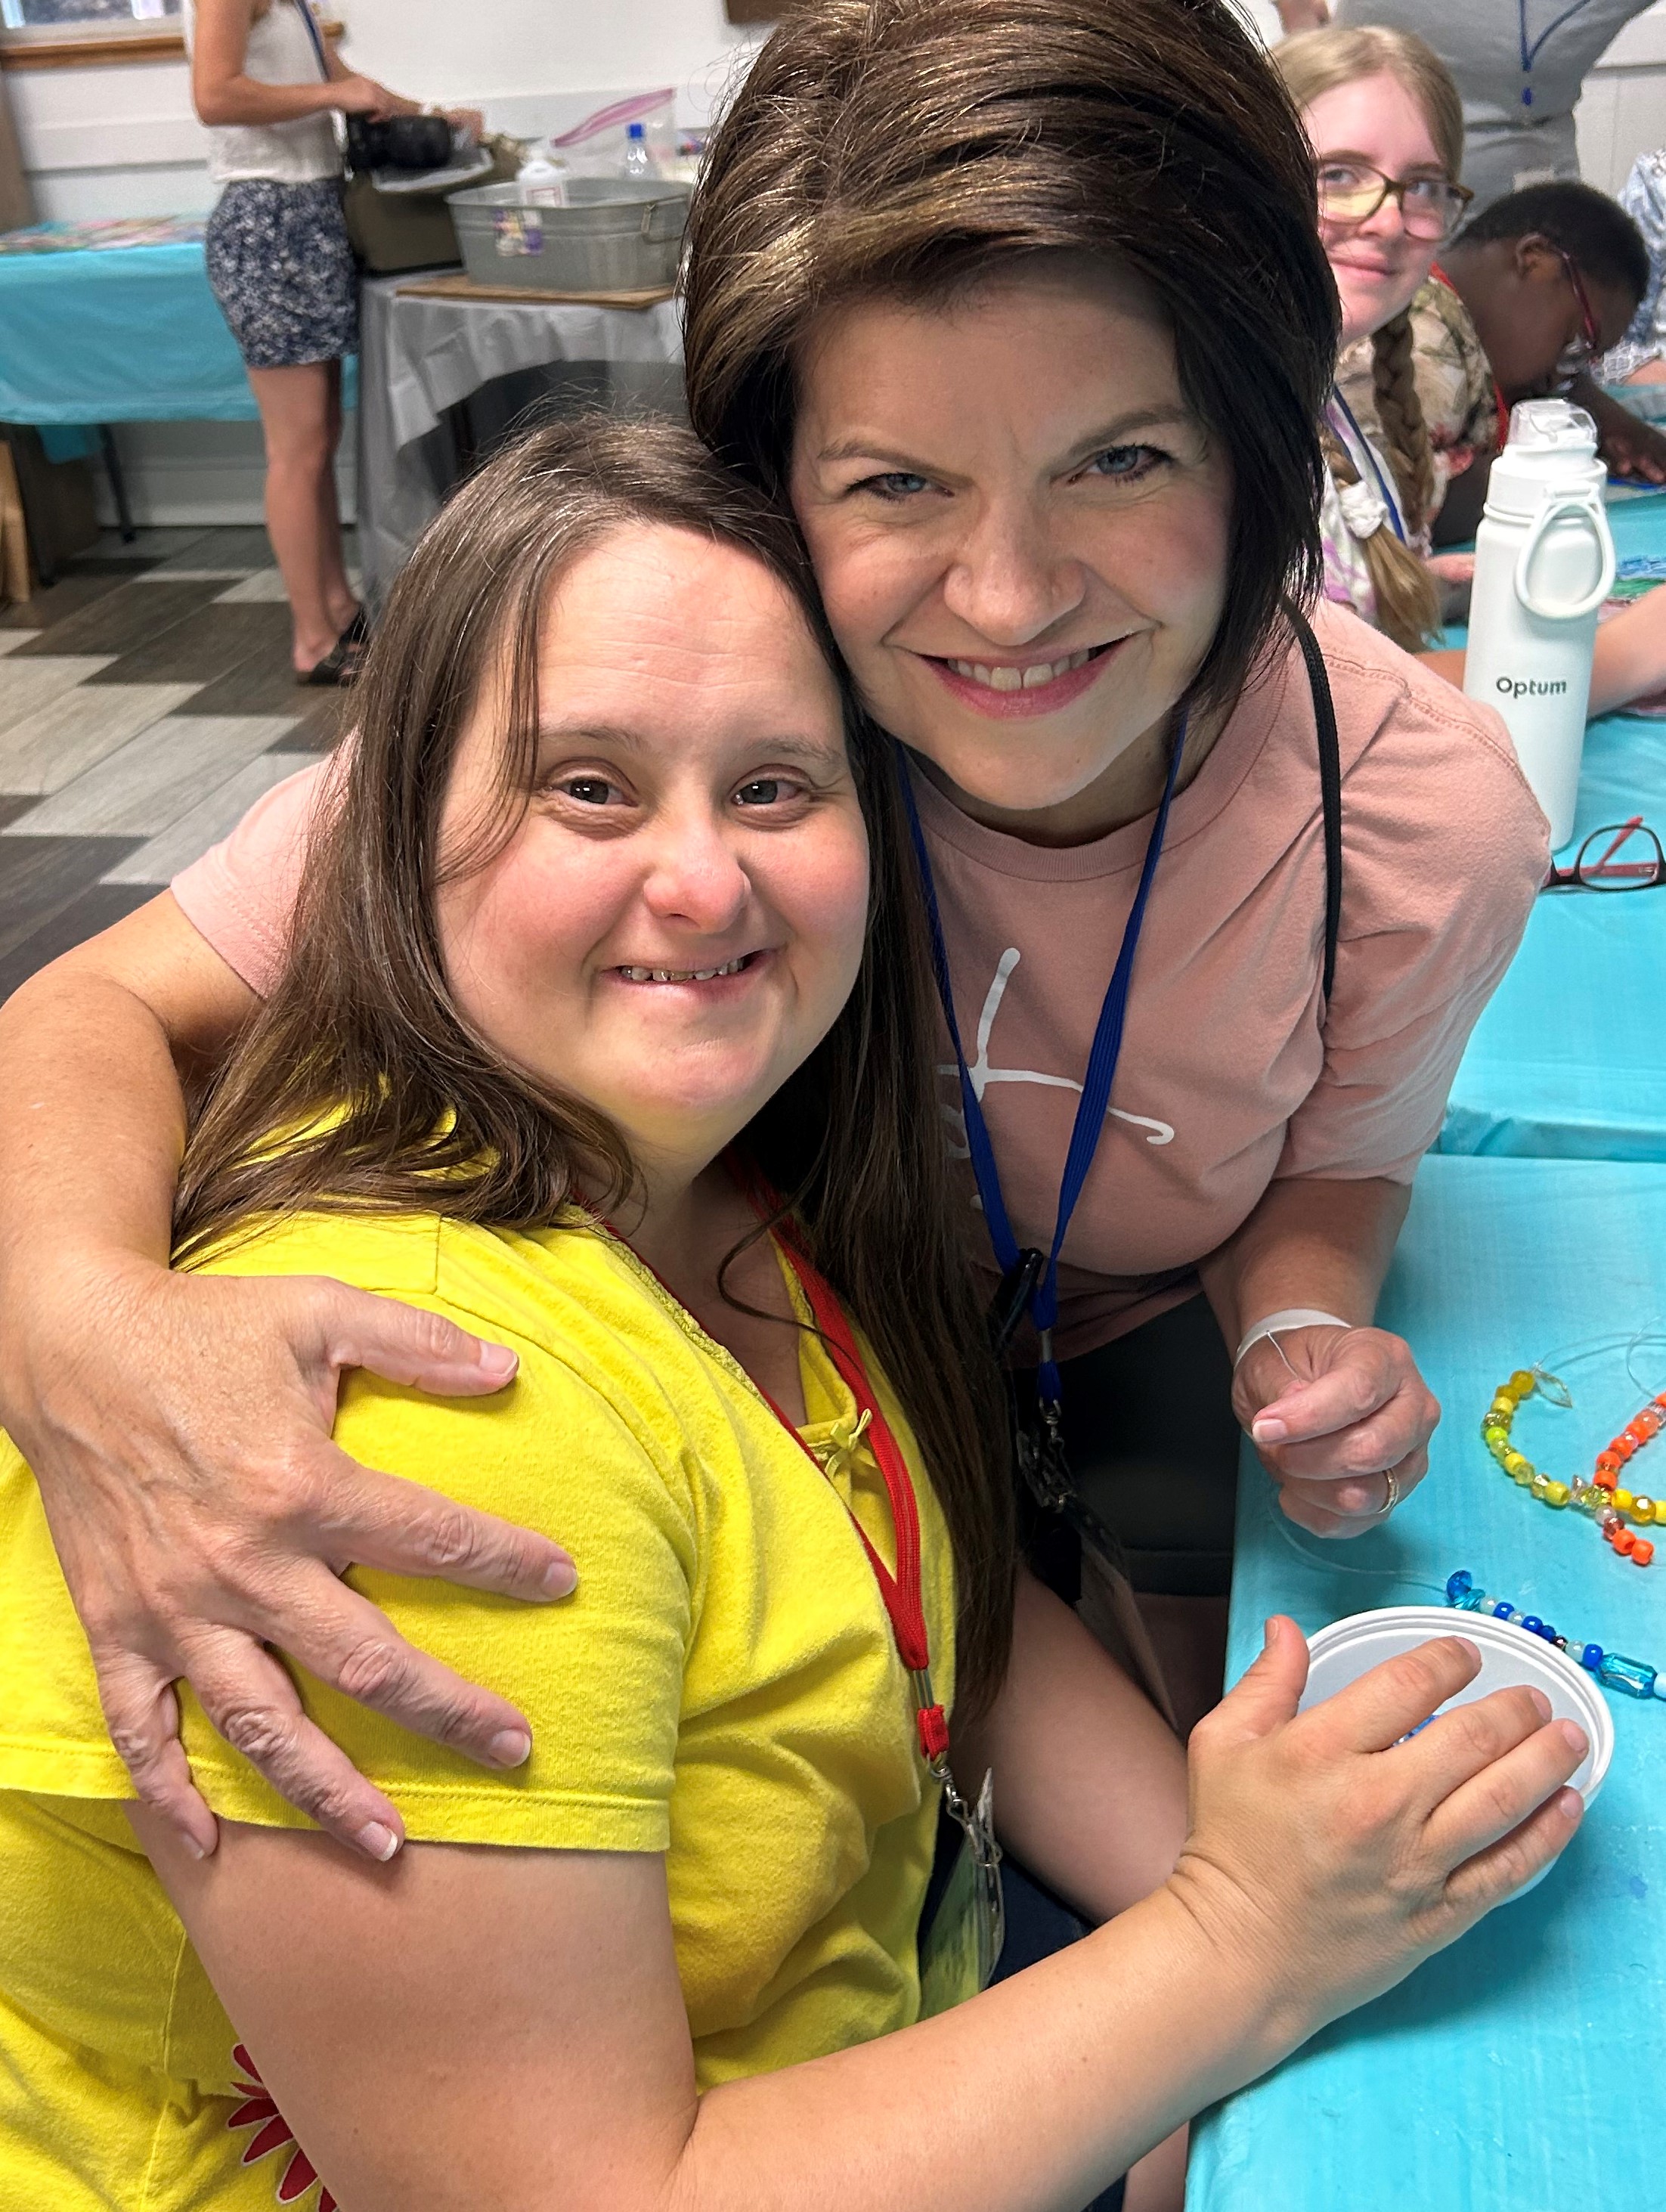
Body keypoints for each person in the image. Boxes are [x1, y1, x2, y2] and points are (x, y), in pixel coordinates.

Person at [0, 411, 1587, 2212]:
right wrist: (1238, 1943)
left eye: (771, 788)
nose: (702, 881)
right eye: (586, 786)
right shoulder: (414, 1413)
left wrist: (1232, 1896)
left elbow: (935, 1622)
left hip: (881, 1994)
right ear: (381, 832)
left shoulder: (716, 1183)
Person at [0, 0, 1550, 1836]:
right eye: (895, 483)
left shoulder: (1416, 821)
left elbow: (1334, 1160)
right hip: (751, 1420)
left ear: (1260, 442)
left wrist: (1295, 1329)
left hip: (1037, 1425)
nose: (1005, 596)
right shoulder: (672, 717)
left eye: (1118, 461)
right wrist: (78, 1322)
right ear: (770, 478)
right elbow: (99, 1007)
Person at [187, 0, 480, 683]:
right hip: (268, 217)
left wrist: (431, 115)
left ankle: (338, 604)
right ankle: (311, 638)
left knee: (318, 437)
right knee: (297, 447)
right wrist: (336, 94)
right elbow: (215, 94)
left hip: (310, 211)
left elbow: (342, 79)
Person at [1274, 25, 1472, 649]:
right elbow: (1305, 707)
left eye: (1422, 187)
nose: (1388, 222)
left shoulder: (1319, 397)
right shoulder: (1233, 430)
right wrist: (1629, 654)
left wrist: (1417, 587)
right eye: (1337, 176)